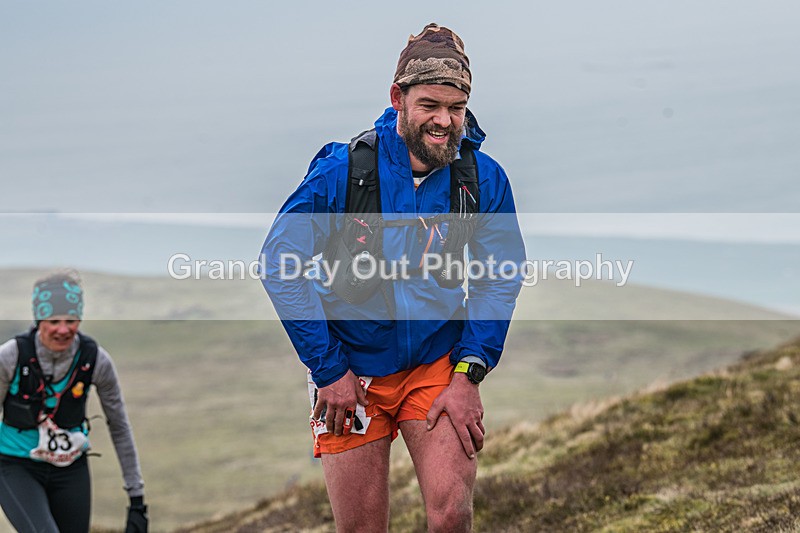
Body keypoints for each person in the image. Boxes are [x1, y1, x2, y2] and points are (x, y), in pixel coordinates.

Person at [261, 23, 525, 532]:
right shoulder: (343, 170)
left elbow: (500, 275)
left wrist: (470, 373)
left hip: (435, 364)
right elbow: (279, 262)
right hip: (350, 371)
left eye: (456, 107)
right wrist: (328, 371)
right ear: (397, 98)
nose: (445, 121)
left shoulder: (482, 177)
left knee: (451, 515)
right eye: (429, 105)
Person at [0, 271, 148, 533]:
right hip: (15, 466)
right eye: (53, 320)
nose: (63, 329)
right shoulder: (11, 357)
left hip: (71, 468)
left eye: (71, 320)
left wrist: (137, 501)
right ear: (38, 319)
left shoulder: (96, 360)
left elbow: (120, 426)